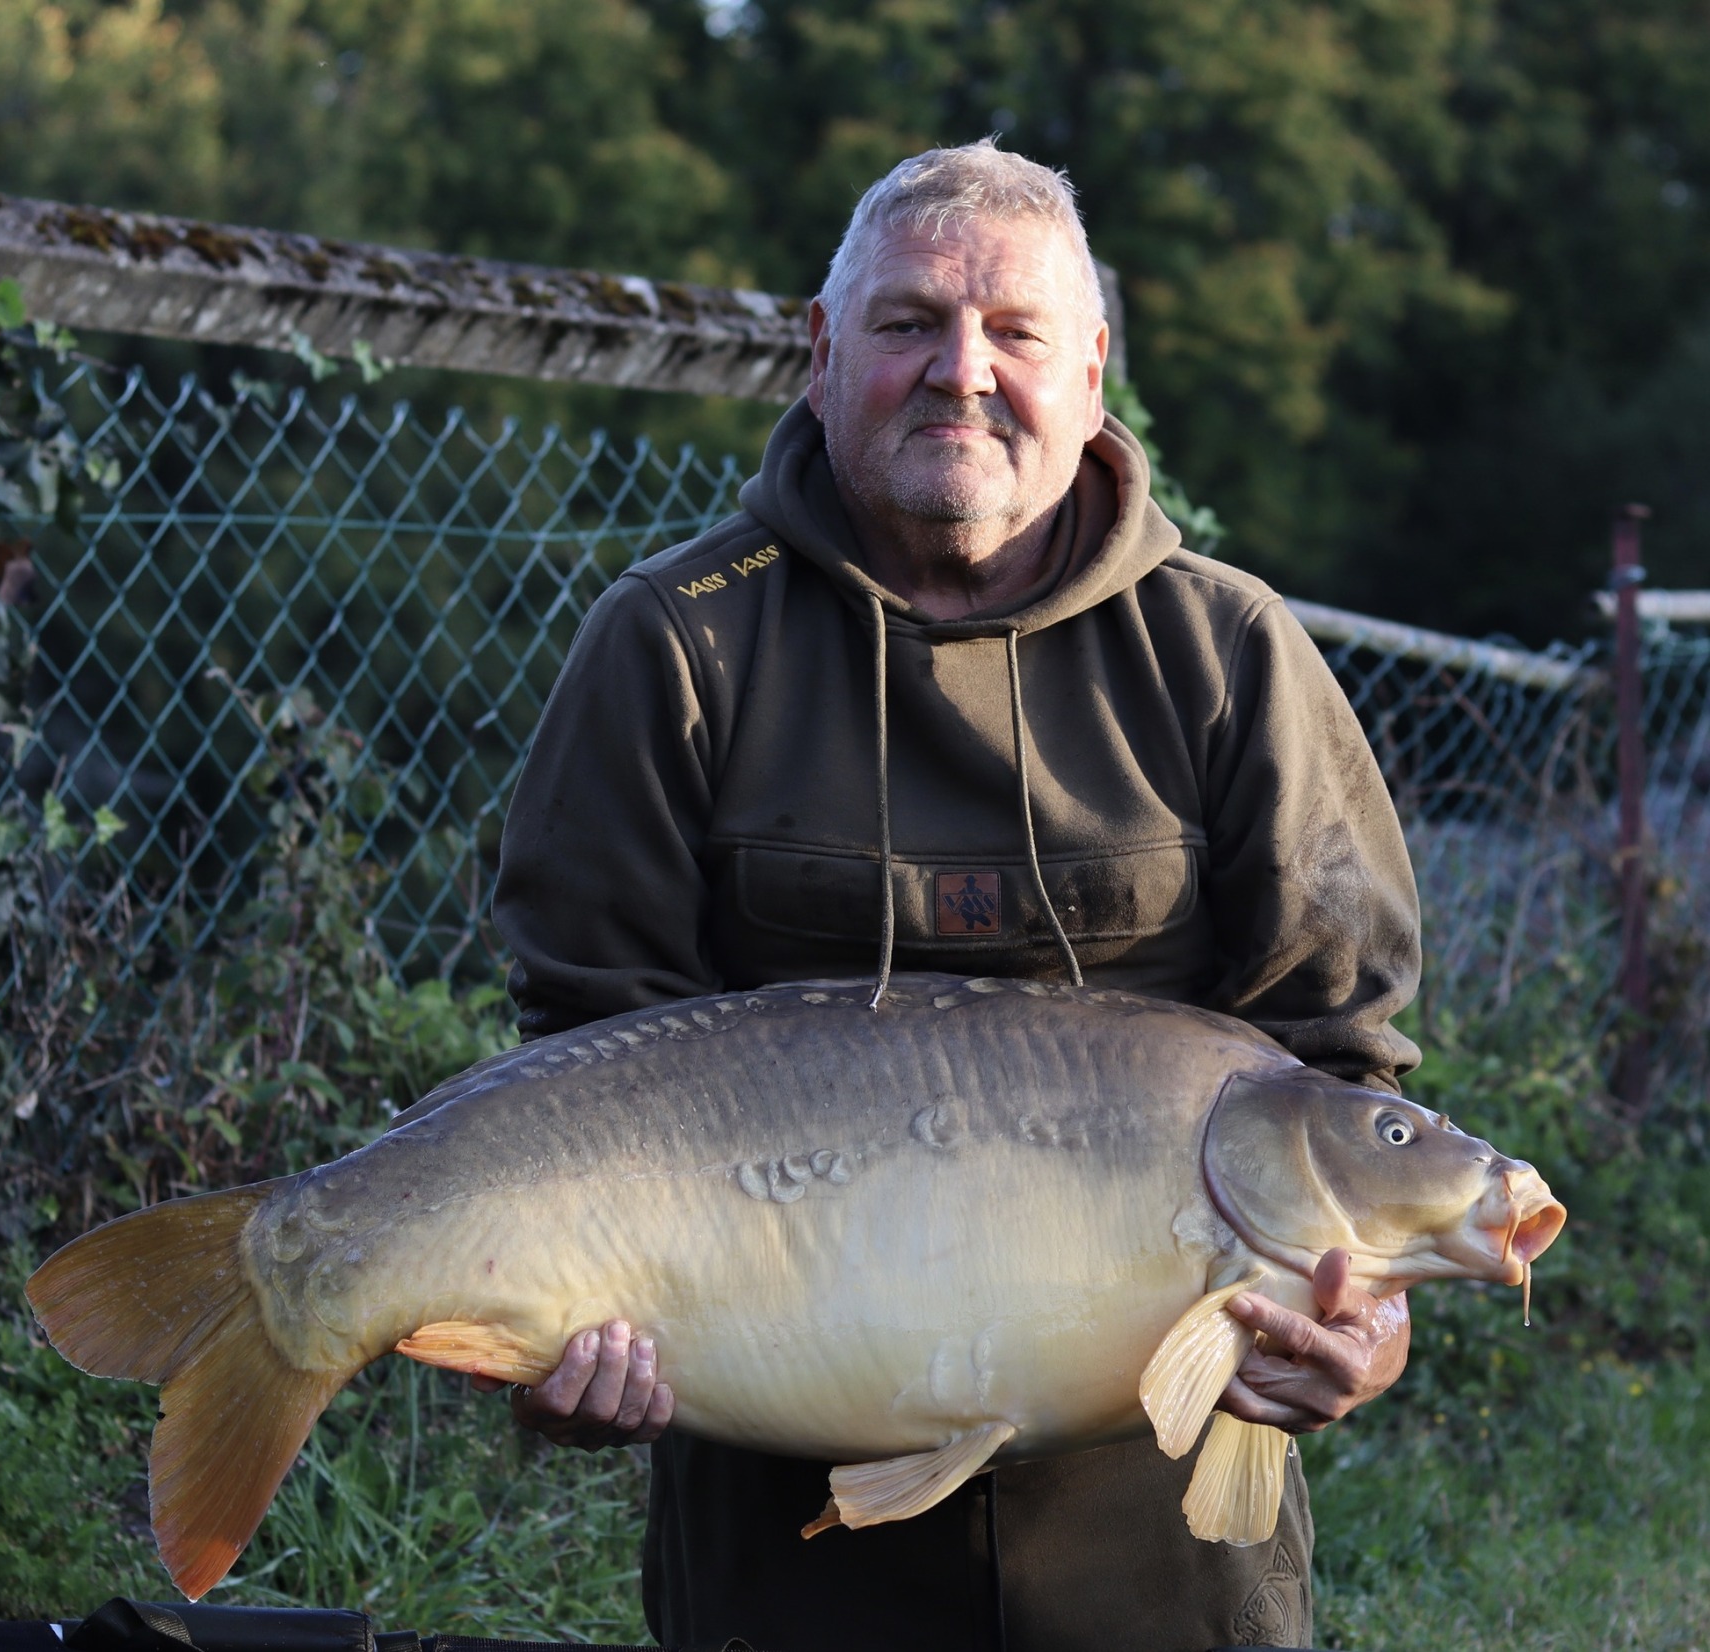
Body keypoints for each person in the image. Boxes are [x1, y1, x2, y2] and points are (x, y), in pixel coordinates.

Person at [489, 141, 1420, 1652]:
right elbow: (585, 1064)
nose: (962, 371)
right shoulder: (674, 643)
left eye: (1017, 331)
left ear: (1095, 371)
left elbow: (1340, 1078)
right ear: (822, 352)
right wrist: (555, 1338)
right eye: (910, 322)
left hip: (1166, 1529)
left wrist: (1361, 1321)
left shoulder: (1230, 655)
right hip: (778, 1517)